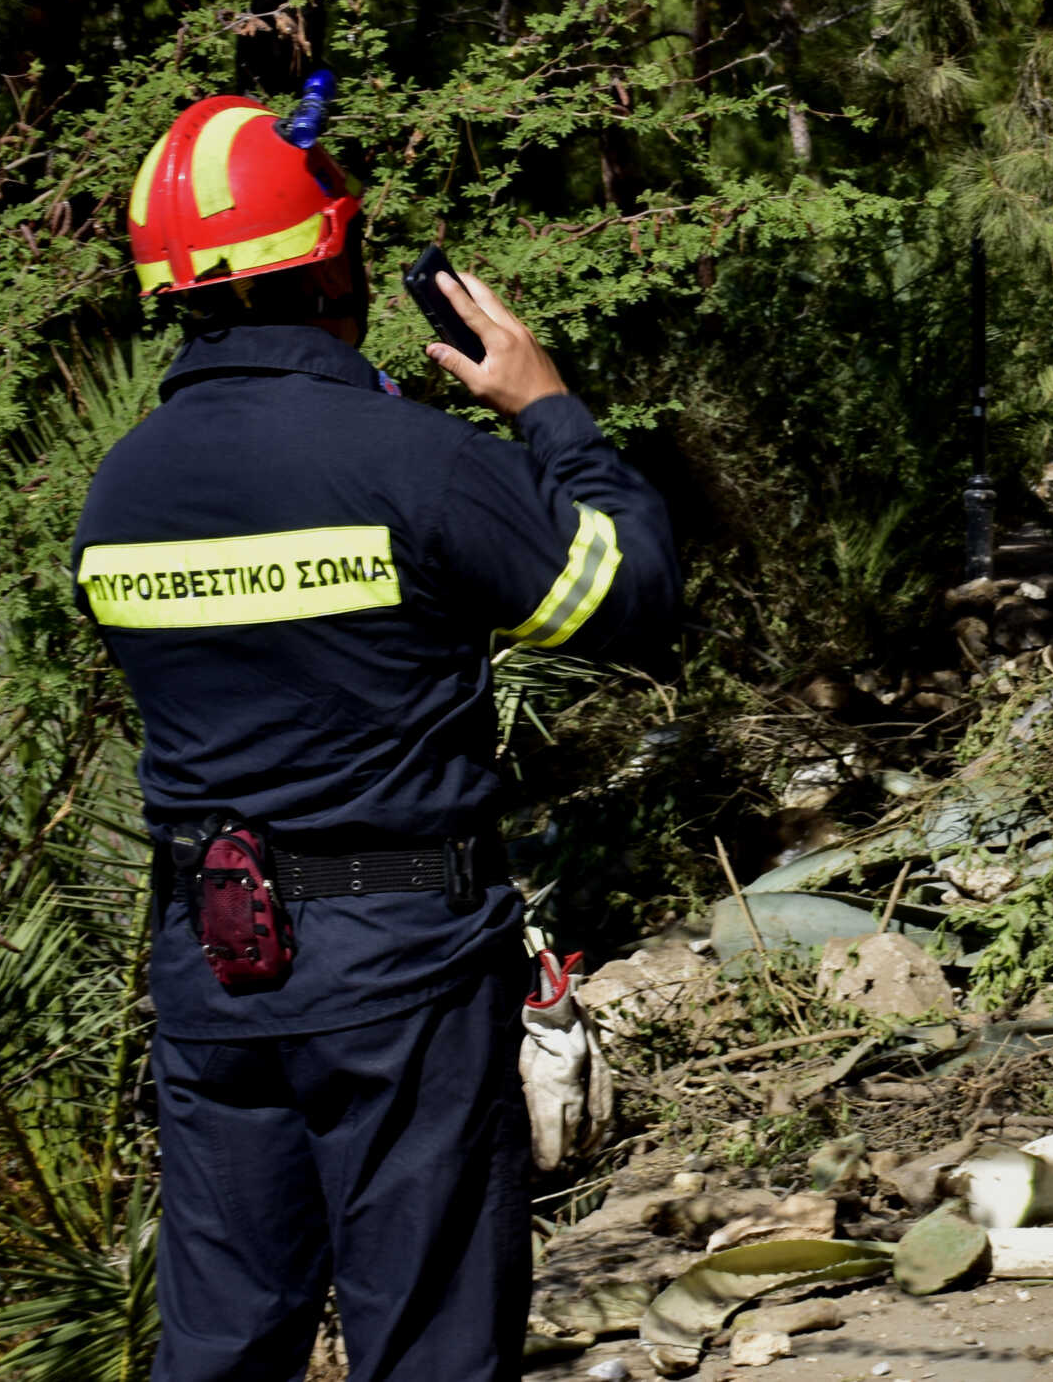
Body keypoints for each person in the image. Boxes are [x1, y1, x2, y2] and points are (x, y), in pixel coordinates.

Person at [73, 84, 679, 1382]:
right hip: (398, 973)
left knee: (224, 1349)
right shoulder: (413, 460)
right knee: (430, 1346)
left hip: (211, 970)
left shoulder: (118, 489)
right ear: (336, 259)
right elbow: (627, 597)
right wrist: (548, 413)